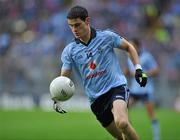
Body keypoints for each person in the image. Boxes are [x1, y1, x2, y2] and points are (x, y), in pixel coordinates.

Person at [53, 5, 147, 140]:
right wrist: (58, 97)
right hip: (96, 100)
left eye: (77, 25)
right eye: (71, 26)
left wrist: (138, 68)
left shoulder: (106, 37)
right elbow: (64, 79)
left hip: (116, 87)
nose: (74, 29)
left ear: (87, 21)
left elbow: (129, 47)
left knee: (122, 123)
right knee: (121, 137)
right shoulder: (70, 51)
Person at [125, 38, 160, 140]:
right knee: (124, 110)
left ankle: (156, 137)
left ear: (138, 46)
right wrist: (126, 72)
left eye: (132, 45)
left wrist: (144, 74)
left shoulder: (147, 57)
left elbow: (157, 70)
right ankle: (129, 134)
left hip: (146, 90)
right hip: (134, 90)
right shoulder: (129, 57)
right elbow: (130, 71)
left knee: (151, 114)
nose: (130, 47)